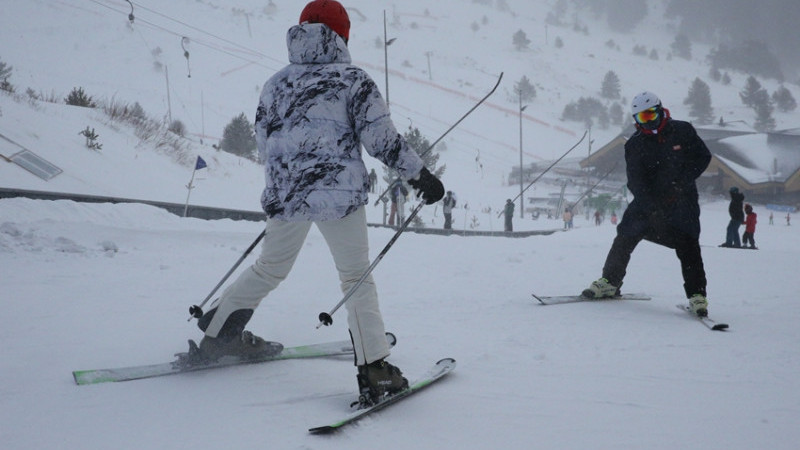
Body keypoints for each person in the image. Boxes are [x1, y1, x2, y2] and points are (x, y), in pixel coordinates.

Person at [193, 0, 444, 404]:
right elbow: (381, 140)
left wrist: (287, 185)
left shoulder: (275, 84)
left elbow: (265, 143)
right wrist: (421, 176)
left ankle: (218, 335)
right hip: (339, 197)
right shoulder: (352, 80)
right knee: (355, 277)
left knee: (269, 269)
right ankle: (375, 369)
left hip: (287, 195)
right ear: (342, 36)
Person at [582, 91, 713, 317]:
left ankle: (697, 296)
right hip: (649, 201)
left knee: (688, 243)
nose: (649, 121)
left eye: (651, 114)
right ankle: (610, 281)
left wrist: (681, 182)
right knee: (625, 233)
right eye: (642, 118)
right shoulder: (635, 144)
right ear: (636, 121)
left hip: (682, 200)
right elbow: (636, 180)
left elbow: (703, 157)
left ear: (661, 110)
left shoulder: (682, 131)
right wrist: (651, 206)